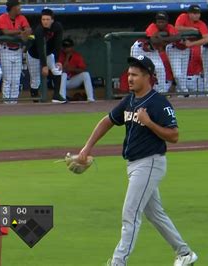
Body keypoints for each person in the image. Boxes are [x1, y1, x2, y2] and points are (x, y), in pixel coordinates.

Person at [74, 55, 197, 266]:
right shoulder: (130, 100)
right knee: (155, 214)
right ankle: (185, 253)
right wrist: (87, 147)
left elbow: (174, 136)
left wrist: (149, 123)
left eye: (135, 75)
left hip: (149, 163)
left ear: (148, 77)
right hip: (134, 165)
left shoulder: (159, 103)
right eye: (129, 74)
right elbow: (107, 121)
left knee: (130, 214)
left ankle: (118, 262)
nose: (129, 78)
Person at [131, 11, 179, 93]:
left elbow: (177, 37)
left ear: (166, 22)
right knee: (137, 70)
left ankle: (162, 92)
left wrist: (161, 38)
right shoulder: (152, 27)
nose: (160, 23)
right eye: (158, 21)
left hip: (153, 50)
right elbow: (154, 40)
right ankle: (135, 92)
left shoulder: (170, 27)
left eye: (162, 22)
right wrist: (167, 39)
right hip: (139, 49)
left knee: (160, 69)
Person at [167, 4, 208, 94]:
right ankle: (185, 92)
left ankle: (181, 94)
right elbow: (177, 28)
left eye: (198, 13)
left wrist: (192, 44)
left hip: (186, 49)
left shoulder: (201, 24)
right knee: (177, 75)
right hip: (174, 48)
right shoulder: (183, 17)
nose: (196, 15)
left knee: (182, 75)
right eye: (194, 13)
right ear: (189, 13)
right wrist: (191, 29)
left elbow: (207, 39)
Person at [27, 8, 65, 103]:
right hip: (34, 55)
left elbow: (58, 44)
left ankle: (56, 96)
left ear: (52, 20)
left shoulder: (57, 27)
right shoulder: (39, 30)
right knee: (35, 80)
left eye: (47, 19)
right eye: (43, 19)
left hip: (48, 53)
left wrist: (58, 60)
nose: (45, 22)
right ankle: (35, 98)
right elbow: (40, 48)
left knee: (57, 69)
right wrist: (44, 65)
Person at [0, 0, 31, 104]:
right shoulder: (3, 17)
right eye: (18, 7)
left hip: (18, 50)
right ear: (13, 8)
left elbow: (28, 29)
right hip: (5, 50)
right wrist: (20, 32)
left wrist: (26, 31)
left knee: (16, 79)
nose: (20, 8)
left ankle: (14, 102)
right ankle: (6, 102)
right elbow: (5, 31)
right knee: (7, 79)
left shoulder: (22, 17)